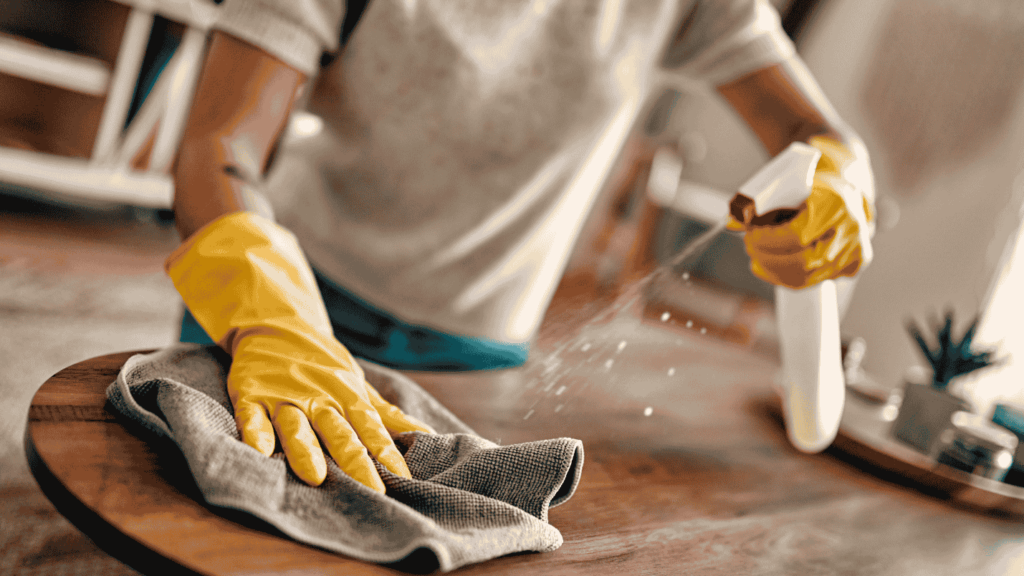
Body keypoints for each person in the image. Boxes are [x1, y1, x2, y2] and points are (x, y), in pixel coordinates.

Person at [166, 0, 875, 493]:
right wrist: (276, 320)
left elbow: (820, 133)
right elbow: (219, 143)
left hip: (477, 361)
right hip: (274, 310)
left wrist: (841, 179)